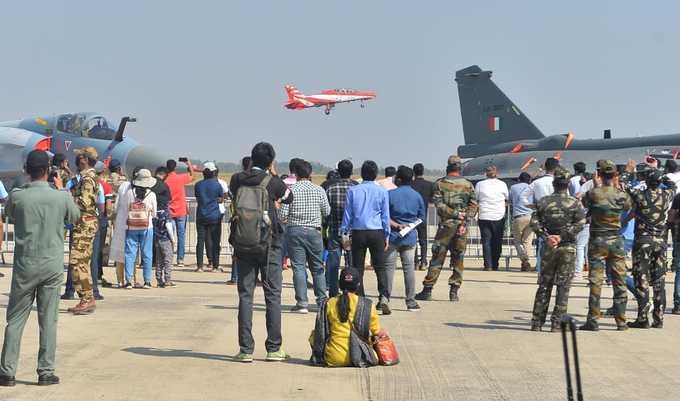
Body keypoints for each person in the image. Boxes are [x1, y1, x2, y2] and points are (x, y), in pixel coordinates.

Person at [0, 150, 80, 387]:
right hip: (52, 265)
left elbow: (11, 215)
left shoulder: (17, 196)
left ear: (27, 170)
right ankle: (45, 371)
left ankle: (7, 372)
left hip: (26, 264)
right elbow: (75, 216)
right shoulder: (61, 196)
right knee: (48, 321)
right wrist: (62, 189)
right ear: (48, 170)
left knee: (15, 320)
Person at [229, 142, 293, 362]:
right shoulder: (273, 182)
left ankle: (245, 349)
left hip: (243, 242)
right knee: (272, 295)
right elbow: (288, 198)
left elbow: (232, 197)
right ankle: (273, 348)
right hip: (270, 243)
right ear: (270, 161)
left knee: (245, 295)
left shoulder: (237, 179)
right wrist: (273, 173)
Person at [529, 167, 585, 331]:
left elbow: (534, 223)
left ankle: (537, 322)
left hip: (549, 247)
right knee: (563, 286)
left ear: (554, 183)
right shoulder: (574, 203)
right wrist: (562, 236)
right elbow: (580, 224)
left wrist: (547, 237)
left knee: (544, 285)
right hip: (567, 247)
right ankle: (557, 323)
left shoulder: (543, 202)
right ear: (567, 184)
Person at [416, 155, 478, 302]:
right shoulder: (468, 185)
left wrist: (455, 215)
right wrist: (464, 220)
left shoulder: (439, 184)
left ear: (448, 167)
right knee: (458, 259)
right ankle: (454, 292)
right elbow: (474, 205)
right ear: (460, 167)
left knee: (437, 258)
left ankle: (428, 289)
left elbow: (439, 205)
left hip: (445, 227)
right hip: (461, 228)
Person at [580, 160, 632, 331]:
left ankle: (593, 320)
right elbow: (627, 206)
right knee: (619, 281)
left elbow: (585, 204)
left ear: (599, 175)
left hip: (597, 240)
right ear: (615, 175)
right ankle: (621, 321)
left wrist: (596, 186)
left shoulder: (593, 193)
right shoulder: (621, 194)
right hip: (616, 240)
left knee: (596, 281)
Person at [625, 170, 675, 329]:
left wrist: (628, 173)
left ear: (647, 182)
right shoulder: (667, 195)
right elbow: (672, 185)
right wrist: (664, 178)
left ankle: (642, 318)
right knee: (659, 281)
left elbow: (625, 186)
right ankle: (659, 319)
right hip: (660, 242)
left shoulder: (640, 195)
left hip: (643, 241)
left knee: (641, 280)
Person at [280, 160, 331, 313]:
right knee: (317, 268)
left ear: (295, 174)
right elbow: (327, 211)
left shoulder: (290, 190)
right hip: (314, 231)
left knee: (298, 267)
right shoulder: (319, 190)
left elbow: (282, 215)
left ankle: (302, 303)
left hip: (294, 231)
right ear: (310, 174)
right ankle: (322, 301)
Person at [340, 160, 390, 313]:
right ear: (375, 175)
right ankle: (383, 298)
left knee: (358, 267)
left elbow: (347, 215)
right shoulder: (382, 191)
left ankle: (360, 298)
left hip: (358, 232)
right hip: (377, 232)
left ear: (361, 174)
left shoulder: (353, 191)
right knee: (380, 267)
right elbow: (385, 215)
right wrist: (386, 235)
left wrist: (344, 234)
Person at [310, 268, 384, 367]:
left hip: (334, 358)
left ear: (339, 284)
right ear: (358, 284)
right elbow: (378, 333)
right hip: (361, 357)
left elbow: (320, 333)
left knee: (313, 334)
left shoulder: (329, 303)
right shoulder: (368, 305)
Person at [385, 166, 425, 312]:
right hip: (409, 237)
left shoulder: (389, 194)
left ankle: (384, 298)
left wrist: (396, 225)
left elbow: (384, 216)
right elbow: (422, 218)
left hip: (392, 237)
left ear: (399, 179)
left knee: (389, 269)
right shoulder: (417, 196)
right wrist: (409, 226)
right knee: (409, 270)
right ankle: (411, 301)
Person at [67, 147, 100, 314]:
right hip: (85, 224)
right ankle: (86, 298)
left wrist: (66, 197)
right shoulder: (88, 177)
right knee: (80, 262)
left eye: (79, 157)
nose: (77, 160)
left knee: (78, 262)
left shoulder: (88, 179)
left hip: (85, 224)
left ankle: (86, 298)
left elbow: (84, 203)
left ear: (85, 160)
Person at [325, 160, 357, 297]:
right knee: (352, 265)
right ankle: (351, 292)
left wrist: (324, 227)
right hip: (352, 233)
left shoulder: (331, 189)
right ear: (351, 172)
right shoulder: (356, 189)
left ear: (338, 171)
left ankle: (333, 293)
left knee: (333, 266)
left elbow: (326, 212)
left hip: (334, 231)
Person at [121, 169, 158, 289]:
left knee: (130, 254)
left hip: (131, 226)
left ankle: (128, 281)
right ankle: (147, 281)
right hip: (147, 227)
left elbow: (126, 209)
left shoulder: (129, 193)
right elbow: (154, 214)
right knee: (147, 254)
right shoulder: (151, 195)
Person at [523, 157, 559, 272]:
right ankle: (554, 266)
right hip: (557, 214)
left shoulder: (537, 182)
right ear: (556, 168)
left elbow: (523, 196)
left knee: (542, 240)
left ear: (544, 167)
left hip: (541, 213)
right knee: (557, 241)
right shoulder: (558, 182)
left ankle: (540, 267)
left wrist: (530, 205)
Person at [475, 165, 509, 271]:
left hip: (484, 215)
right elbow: (507, 197)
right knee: (497, 241)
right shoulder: (502, 184)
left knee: (486, 241)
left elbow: (476, 198)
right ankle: (495, 264)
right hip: (498, 216)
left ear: (486, 173)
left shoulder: (480, 184)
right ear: (496, 173)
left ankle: (488, 265)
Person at [194, 162, 224, 272]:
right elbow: (221, 199)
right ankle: (215, 265)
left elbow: (198, 197)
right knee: (215, 240)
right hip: (214, 215)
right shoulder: (217, 185)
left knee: (200, 240)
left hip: (201, 215)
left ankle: (199, 266)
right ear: (213, 173)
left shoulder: (198, 185)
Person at [227, 156, 251, 285]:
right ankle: (253, 277)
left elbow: (230, 194)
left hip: (237, 218)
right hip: (253, 219)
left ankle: (234, 277)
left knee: (237, 248)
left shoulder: (236, 177)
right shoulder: (257, 178)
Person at [165, 158, 193, 267]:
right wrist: (188, 163)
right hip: (181, 210)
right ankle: (180, 259)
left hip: (169, 211)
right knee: (181, 235)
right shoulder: (180, 178)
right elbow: (192, 175)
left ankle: (169, 257)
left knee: (169, 236)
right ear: (175, 167)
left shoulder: (165, 180)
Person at [151, 167, 175, 287]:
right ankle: (168, 279)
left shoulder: (155, 214)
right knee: (168, 259)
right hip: (166, 239)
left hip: (157, 237)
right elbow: (169, 227)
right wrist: (173, 240)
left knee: (159, 260)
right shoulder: (165, 213)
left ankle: (158, 278)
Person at [411, 163, 433, 270]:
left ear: (413, 172)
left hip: (411, 216)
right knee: (423, 240)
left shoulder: (410, 184)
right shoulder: (429, 185)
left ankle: (415, 261)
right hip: (423, 215)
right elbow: (432, 199)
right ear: (423, 171)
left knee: (413, 240)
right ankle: (423, 261)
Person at [569, 162, 589, 280]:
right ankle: (586, 265)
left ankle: (578, 271)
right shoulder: (592, 186)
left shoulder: (572, 181)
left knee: (579, 246)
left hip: (580, 218)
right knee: (585, 245)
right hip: (589, 219)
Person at [509, 172, 533, 271]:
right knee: (527, 241)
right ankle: (527, 261)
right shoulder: (532, 187)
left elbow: (510, 200)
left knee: (518, 241)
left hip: (518, 217)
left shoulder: (513, 187)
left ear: (519, 179)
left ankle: (524, 260)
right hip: (530, 216)